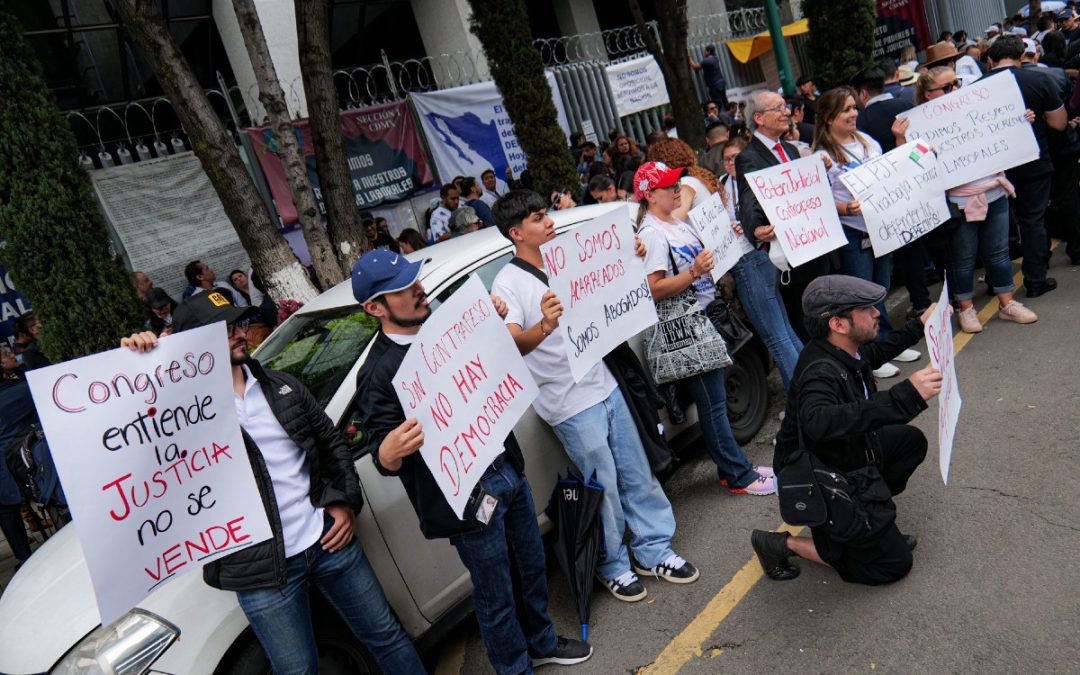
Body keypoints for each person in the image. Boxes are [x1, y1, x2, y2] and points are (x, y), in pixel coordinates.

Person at [121, 291, 425, 674]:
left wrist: (344, 501)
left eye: (239, 323)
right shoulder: (177, 416)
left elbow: (333, 445)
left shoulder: (283, 386)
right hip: (260, 573)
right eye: (224, 329)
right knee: (297, 671)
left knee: (387, 636)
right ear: (190, 343)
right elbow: (136, 453)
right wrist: (141, 363)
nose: (239, 333)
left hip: (328, 541)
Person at [351, 250, 593, 673]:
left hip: (505, 469)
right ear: (375, 308)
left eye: (415, 280)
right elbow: (382, 456)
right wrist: (388, 451)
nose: (419, 290)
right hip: (466, 500)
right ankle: (514, 667)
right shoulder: (377, 373)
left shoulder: (448, 327)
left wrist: (490, 320)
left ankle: (542, 642)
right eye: (404, 289)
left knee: (533, 564)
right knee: (495, 592)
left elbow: (493, 369)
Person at [491, 190, 699, 603]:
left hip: (606, 382)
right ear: (516, 233)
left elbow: (610, 283)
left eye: (547, 214)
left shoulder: (567, 257)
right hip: (567, 401)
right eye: (538, 218)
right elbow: (514, 342)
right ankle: (613, 564)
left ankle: (654, 548)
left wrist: (632, 255)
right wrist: (545, 325)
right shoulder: (507, 283)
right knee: (602, 483)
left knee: (636, 470)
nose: (549, 222)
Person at [752, 275, 943, 585]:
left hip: (843, 451)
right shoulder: (819, 372)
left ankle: (867, 527)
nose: (877, 312)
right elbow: (818, 421)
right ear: (838, 324)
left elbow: (875, 354)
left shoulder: (842, 348)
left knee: (909, 442)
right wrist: (905, 395)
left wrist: (920, 325)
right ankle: (782, 544)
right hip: (817, 472)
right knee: (894, 565)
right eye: (866, 309)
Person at [632, 161, 777, 495]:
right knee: (713, 405)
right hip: (687, 327)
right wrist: (694, 272)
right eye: (668, 186)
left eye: (675, 184)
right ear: (650, 195)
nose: (676, 189)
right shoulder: (652, 233)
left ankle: (736, 469)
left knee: (715, 402)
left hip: (702, 318)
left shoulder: (671, 222)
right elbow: (654, 288)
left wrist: (725, 237)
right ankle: (738, 475)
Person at [898, 67, 1038, 332]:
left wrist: (1021, 120)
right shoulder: (917, 125)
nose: (955, 89)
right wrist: (900, 138)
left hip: (994, 192)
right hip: (959, 201)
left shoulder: (976, 105)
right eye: (947, 87)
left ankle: (1007, 303)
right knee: (962, 260)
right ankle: (966, 309)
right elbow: (909, 162)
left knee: (999, 254)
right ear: (928, 94)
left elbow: (1002, 128)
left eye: (957, 82)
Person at [811, 87, 921, 379]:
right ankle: (868, 355)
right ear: (828, 118)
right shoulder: (821, 156)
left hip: (879, 226)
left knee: (880, 287)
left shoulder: (867, 141)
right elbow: (817, 201)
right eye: (845, 110)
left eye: (853, 108)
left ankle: (886, 344)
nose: (853, 114)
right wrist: (845, 209)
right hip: (852, 232)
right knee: (860, 296)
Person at [736, 89, 833, 344]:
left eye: (785, 107)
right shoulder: (748, 157)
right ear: (759, 118)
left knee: (829, 313)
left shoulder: (789, 149)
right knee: (807, 320)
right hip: (791, 254)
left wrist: (819, 172)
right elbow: (748, 198)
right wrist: (756, 228)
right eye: (778, 108)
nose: (786, 113)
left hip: (814, 245)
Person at [987, 34, 1068, 297]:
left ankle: (996, 282)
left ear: (990, 60)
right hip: (1033, 163)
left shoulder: (975, 89)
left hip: (992, 169)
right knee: (1032, 220)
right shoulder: (1039, 80)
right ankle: (1035, 280)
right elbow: (1059, 123)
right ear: (1022, 56)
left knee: (996, 226)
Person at [0, 378, 39, 570]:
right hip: (36, 462)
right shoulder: (27, 387)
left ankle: (24, 558)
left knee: (5, 509)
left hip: (7, 477)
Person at [689, 44, 729, 109]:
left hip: (715, 86)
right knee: (725, 101)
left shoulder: (706, 60)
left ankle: (720, 115)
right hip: (721, 83)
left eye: (705, 51)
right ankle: (728, 113)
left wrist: (689, 57)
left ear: (709, 51)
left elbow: (695, 67)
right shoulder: (715, 58)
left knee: (717, 104)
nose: (704, 52)